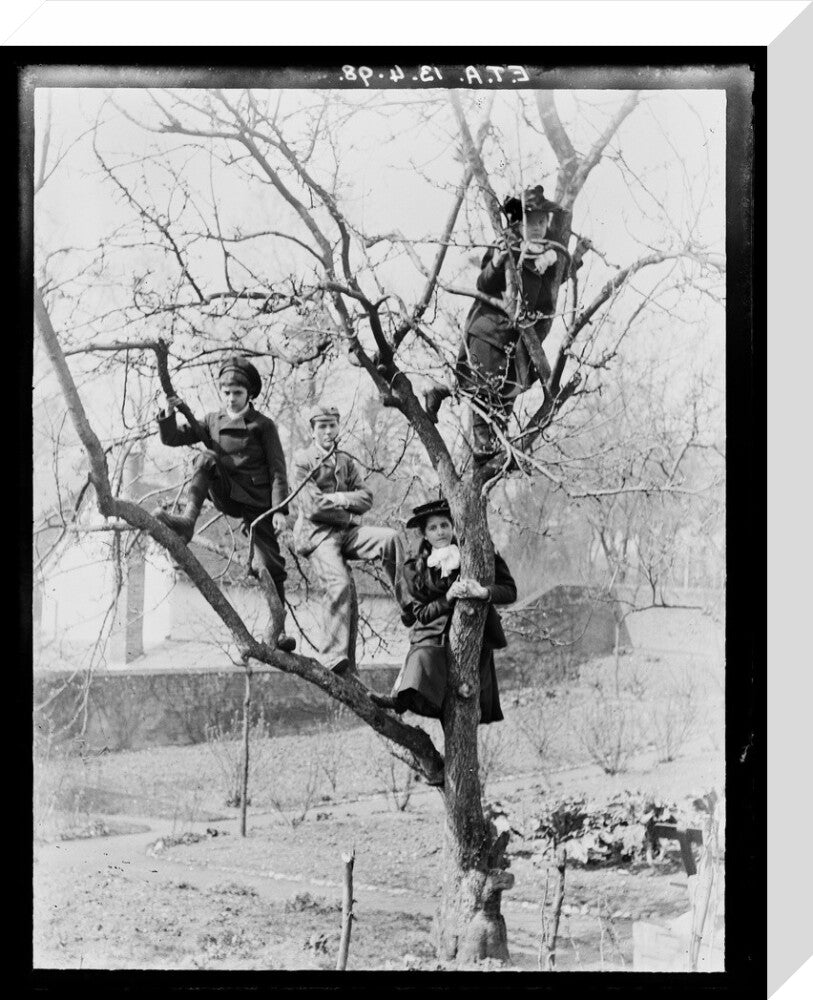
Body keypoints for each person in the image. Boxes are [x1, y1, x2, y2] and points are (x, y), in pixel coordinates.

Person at [152, 355, 295, 652]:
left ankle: (279, 632)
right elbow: (173, 439)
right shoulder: (212, 420)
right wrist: (169, 412)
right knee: (206, 458)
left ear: (250, 394)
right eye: (227, 393)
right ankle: (188, 521)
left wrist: (280, 509)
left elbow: (278, 469)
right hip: (227, 493)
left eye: (238, 393)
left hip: (258, 502)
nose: (231, 399)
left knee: (269, 565)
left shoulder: (262, 425)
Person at [424, 184, 564, 462]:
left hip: (517, 338)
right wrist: (500, 261)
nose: (537, 227)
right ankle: (485, 444)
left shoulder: (547, 255)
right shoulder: (506, 244)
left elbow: (558, 280)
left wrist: (570, 257)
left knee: (507, 386)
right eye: (531, 221)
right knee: (484, 387)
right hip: (490, 329)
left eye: (542, 222)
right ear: (519, 222)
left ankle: (444, 394)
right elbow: (484, 282)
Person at [376, 498, 517, 724]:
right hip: (434, 640)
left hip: (474, 640)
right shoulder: (415, 568)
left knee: (466, 704)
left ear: (453, 526)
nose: (440, 532)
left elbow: (510, 591)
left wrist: (483, 592)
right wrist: (448, 597)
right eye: (433, 528)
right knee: (423, 663)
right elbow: (421, 614)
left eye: (444, 525)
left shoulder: (478, 555)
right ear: (424, 534)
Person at [291, 404, 404, 676]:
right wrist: (347, 512)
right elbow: (313, 508)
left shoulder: (345, 461)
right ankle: (332, 656)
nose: (328, 431)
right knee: (339, 582)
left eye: (332, 425)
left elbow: (366, 498)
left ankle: (410, 604)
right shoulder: (302, 460)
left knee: (390, 539)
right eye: (322, 426)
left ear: (338, 426)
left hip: (346, 533)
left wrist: (341, 498)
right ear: (312, 430)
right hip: (317, 536)